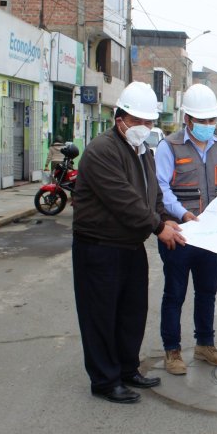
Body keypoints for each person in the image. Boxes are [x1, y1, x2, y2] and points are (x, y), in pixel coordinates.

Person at [72, 82, 185, 404]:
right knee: (101, 315)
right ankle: (105, 381)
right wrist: (157, 227)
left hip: (130, 245)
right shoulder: (101, 151)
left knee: (131, 312)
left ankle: (126, 368)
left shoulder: (143, 151)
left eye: (149, 123)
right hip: (99, 246)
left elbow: (152, 196)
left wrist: (165, 218)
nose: (144, 128)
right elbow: (124, 201)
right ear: (119, 117)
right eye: (138, 122)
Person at [155, 83, 217, 375]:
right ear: (187, 119)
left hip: (212, 236)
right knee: (175, 293)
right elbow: (161, 187)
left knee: (207, 292)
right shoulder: (169, 146)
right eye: (202, 120)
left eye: (212, 120)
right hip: (181, 234)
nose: (208, 126)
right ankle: (172, 350)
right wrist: (184, 214)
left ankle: (205, 344)